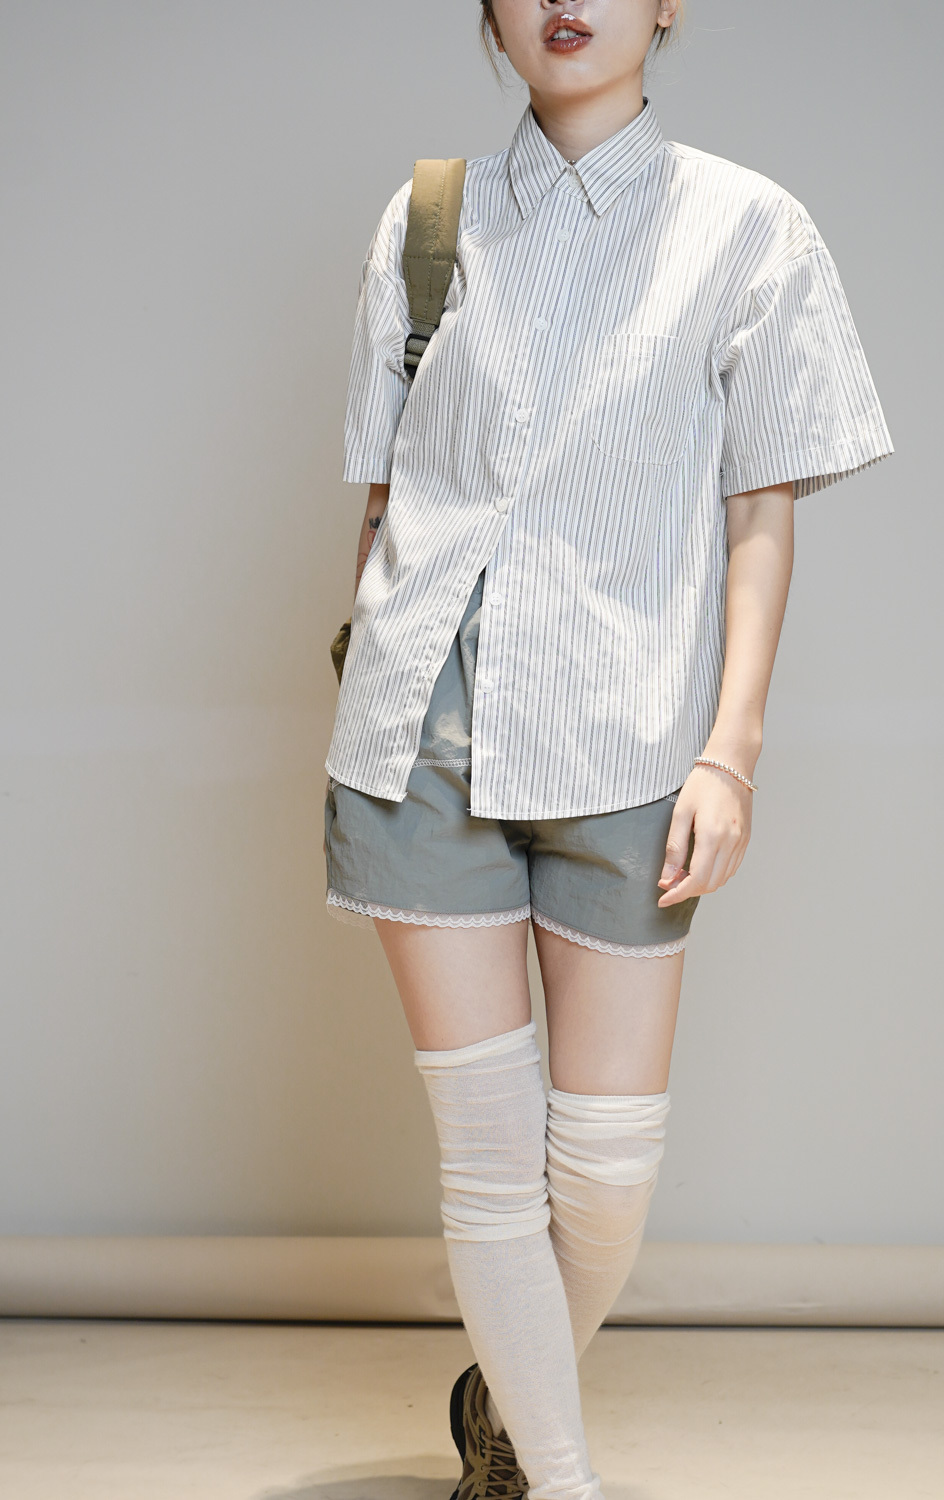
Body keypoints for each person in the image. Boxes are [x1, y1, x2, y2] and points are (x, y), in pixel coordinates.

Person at [322, 3, 893, 1497]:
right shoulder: (426, 221)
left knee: (607, 1177)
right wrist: (373, 674)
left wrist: (730, 752)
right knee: (487, 1161)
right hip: (422, 733)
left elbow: (761, 510)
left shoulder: (751, 229)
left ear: (667, 6)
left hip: (635, 737)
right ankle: (556, 1482)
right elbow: (385, 498)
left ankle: (502, 1401)